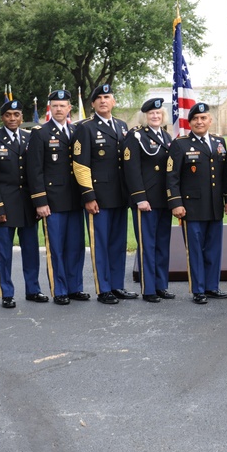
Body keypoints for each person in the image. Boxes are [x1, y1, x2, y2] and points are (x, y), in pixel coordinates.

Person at [0, 99, 47, 309]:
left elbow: (37, 171)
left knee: (31, 250)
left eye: (16, 115)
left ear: (21, 117)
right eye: (8, 115)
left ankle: (33, 289)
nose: (12, 119)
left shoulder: (30, 137)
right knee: (4, 253)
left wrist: (38, 202)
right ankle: (6, 293)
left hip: (27, 205)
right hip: (5, 206)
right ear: (2, 117)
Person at [73, 84, 136, 305]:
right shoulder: (85, 128)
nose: (103, 101)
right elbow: (80, 165)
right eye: (98, 98)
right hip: (99, 197)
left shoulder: (122, 125)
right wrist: (89, 196)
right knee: (100, 244)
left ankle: (117, 285)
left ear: (114, 101)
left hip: (120, 195)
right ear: (92, 104)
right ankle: (104, 288)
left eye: (107, 97)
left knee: (118, 243)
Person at [26, 89, 89, 306]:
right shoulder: (40, 133)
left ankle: (75, 287)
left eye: (63, 105)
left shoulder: (76, 131)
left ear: (69, 108)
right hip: (53, 201)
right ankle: (59, 289)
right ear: (50, 109)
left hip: (74, 199)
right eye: (55, 106)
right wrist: (40, 201)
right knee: (57, 248)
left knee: (76, 246)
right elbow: (34, 171)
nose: (59, 109)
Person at [166, 103, 227, 304]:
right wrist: (176, 203)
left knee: (214, 248)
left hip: (215, 206)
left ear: (210, 120)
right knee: (195, 250)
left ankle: (212, 286)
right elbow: (172, 177)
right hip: (192, 207)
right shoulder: (180, 144)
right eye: (195, 119)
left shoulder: (218, 142)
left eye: (203, 118)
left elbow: (226, 175)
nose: (199, 122)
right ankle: (198, 289)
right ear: (190, 122)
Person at [123, 98, 175, 303]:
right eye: (151, 114)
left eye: (159, 113)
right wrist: (139, 198)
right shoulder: (135, 136)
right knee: (148, 244)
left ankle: (161, 285)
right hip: (146, 201)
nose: (155, 116)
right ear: (144, 116)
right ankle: (149, 288)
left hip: (164, 199)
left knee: (163, 244)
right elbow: (131, 170)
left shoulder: (167, 136)